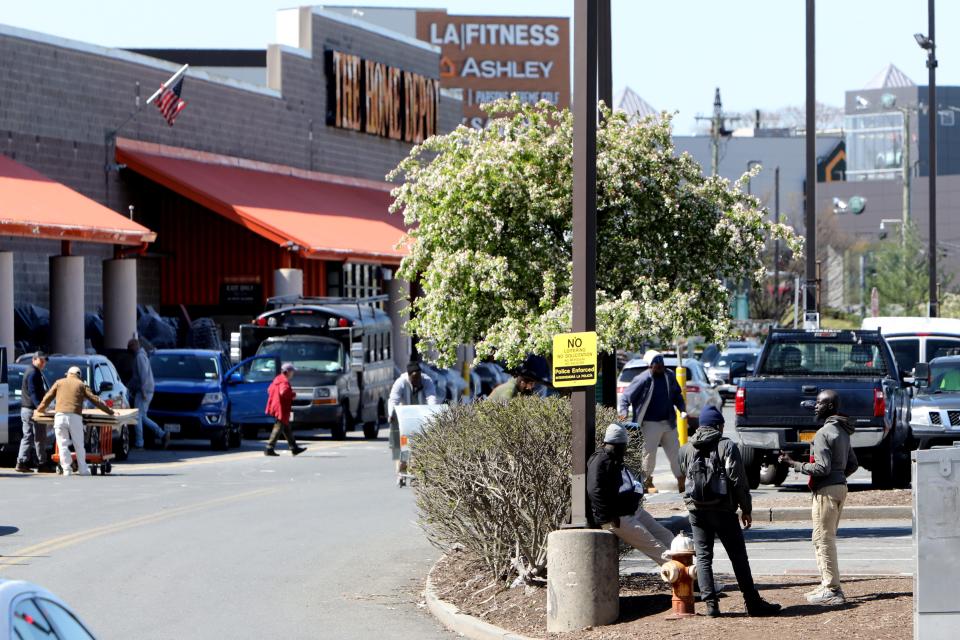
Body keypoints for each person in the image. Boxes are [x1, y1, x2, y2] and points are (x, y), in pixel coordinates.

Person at [679, 405, 780, 618]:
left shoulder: (687, 447)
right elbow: (738, 480)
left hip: (697, 511)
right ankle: (752, 603)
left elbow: (683, 477)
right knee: (738, 557)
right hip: (723, 509)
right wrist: (746, 508)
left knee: (704, 557)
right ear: (718, 425)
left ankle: (710, 606)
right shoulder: (727, 445)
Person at [779, 389, 858, 606]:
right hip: (840, 488)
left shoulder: (823, 433)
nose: (815, 406)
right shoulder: (843, 431)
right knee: (824, 538)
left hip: (826, 490)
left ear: (830, 407)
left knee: (823, 540)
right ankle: (826, 584)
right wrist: (838, 477)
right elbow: (852, 464)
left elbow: (821, 468)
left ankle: (832, 589)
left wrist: (793, 464)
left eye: (819, 403)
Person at [587, 423, 676, 561]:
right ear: (617, 444)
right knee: (657, 548)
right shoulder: (601, 460)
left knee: (668, 537)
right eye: (623, 445)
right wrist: (610, 516)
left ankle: (693, 573)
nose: (625, 448)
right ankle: (686, 578)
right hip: (616, 517)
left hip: (632, 511)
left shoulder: (615, 457)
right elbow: (594, 491)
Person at [617, 354, 686, 494]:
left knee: (676, 453)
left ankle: (682, 480)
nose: (660, 366)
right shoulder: (643, 379)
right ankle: (646, 482)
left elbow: (677, 395)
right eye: (656, 363)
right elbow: (625, 397)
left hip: (668, 422)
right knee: (648, 454)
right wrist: (623, 412)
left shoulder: (669, 376)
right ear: (650, 364)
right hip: (649, 423)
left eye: (661, 363)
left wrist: (682, 409)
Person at [36, 365, 114, 476]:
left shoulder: (59, 382)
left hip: (59, 417)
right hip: (75, 417)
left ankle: (66, 469)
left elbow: (48, 397)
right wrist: (109, 411)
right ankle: (83, 469)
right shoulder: (81, 385)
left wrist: (40, 409)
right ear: (79, 375)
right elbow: (95, 399)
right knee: (79, 444)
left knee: (62, 444)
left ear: (68, 374)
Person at [388, 361, 439, 477]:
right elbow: (393, 400)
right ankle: (402, 466)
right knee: (403, 442)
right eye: (414, 377)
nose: (417, 380)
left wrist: (433, 412)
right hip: (404, 416)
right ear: (409, 375)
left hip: (421, 415)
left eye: (419, 377)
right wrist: (391, 414)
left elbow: (431, 397)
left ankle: (419, 466)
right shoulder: (400, 382)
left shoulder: (427, 381)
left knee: (422, 441)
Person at [127, 338, 168, 449]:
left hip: (143, 390)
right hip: (146, 389)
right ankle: (161, 434)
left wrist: (143, 391)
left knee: (137, 416)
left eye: (129, 347)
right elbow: (137, 376)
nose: (128, 349)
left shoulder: (139, 357)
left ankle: (140, 442)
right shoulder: (141, 356)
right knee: (143, 416)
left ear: (134, 346)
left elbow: (143, 375)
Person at [16, 352, 52, 473]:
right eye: (41, 361)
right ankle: (42, 464)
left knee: (29, 436)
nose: (43, 363)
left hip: (27, 409)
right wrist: (40, 408)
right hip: (32, 410)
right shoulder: (33, 373)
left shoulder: (32, 371)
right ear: (34, 360)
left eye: (44, 361)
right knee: (39, 437)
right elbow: (33, 392)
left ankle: (22, 462)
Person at [264, 362, 306, 457]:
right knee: (279, 426)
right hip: (281, 407)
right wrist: (293, 395)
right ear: (287, 372)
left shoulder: (277, 379)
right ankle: (269, 448)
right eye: (292, 372)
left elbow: (269, 390)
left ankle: (294, 448)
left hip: (276, 405)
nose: (293, 374)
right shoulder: (284, 381)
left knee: (286, 427)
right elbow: (284, 392)